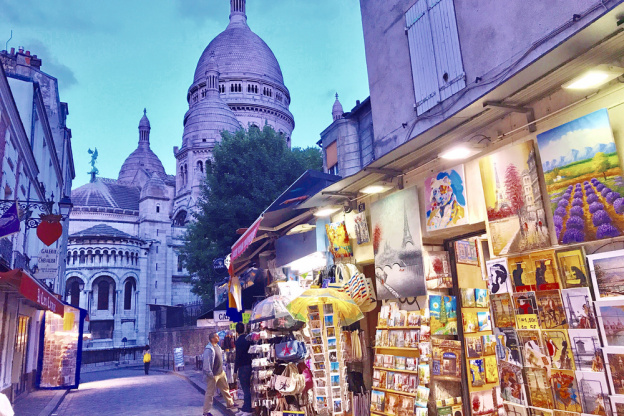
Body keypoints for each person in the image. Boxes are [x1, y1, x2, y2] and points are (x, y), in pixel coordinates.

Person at [203, 332, 235, 416]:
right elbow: (206, 363)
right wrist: (210, 374)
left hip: (221, 372)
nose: (218, 337)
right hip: (213, 375)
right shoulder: (208, 349)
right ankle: (206, 412)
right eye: (216, 336)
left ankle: (230, 403)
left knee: (225, 389)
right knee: (210, 393)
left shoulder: (218, 346)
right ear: (212, 339)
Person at [234, 323, 252, 416]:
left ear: (236, 331)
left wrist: (234, 371)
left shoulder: (238, 341)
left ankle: (247, 409)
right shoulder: (248, 339)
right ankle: (245, 407)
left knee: (245, 389)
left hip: (242, 367)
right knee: (246, 388)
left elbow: (237, 357)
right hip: (249, 365)